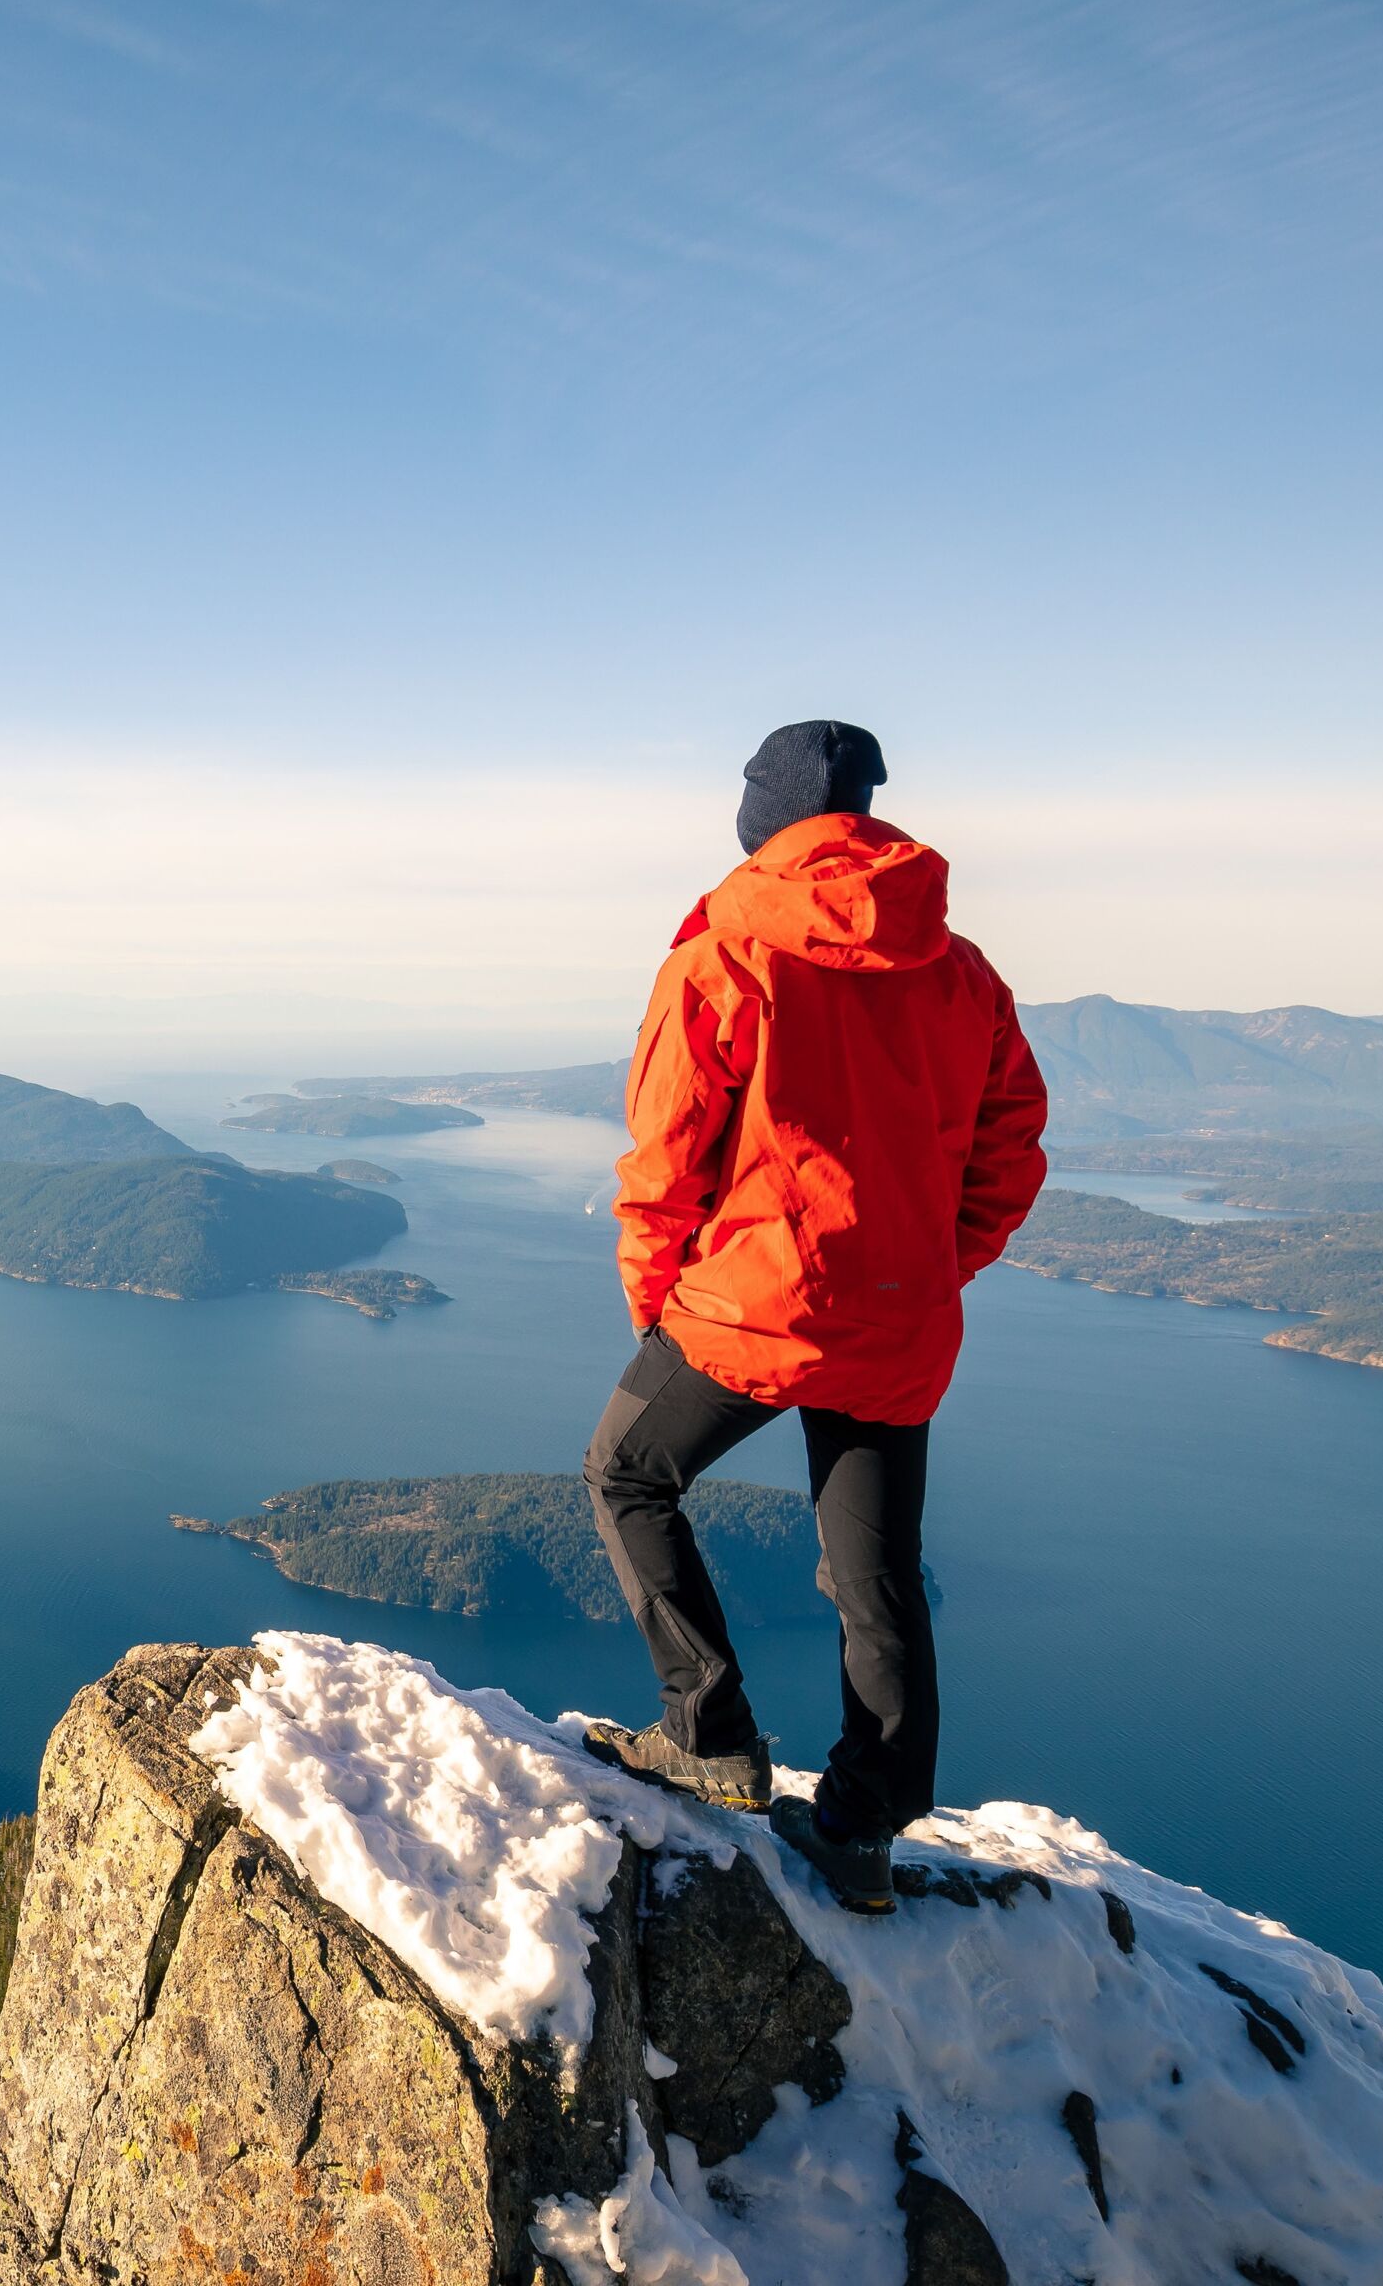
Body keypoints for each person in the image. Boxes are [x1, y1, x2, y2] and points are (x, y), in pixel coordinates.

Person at [579, 721, 1047, 1915]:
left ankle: (709, 1730)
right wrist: (935, 1262)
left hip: (754, 1307)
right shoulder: (961, 969)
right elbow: (1012, 1147)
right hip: (899, 1319)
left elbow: (665, 1157)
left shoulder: (724, 951)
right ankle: (862, 1829)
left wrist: (659, 1304)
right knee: (877, 1572)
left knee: (627, 1471)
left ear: (764, 815)